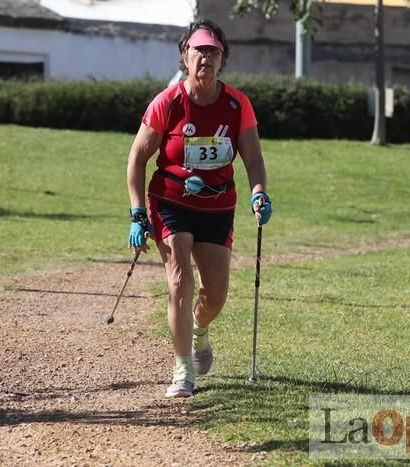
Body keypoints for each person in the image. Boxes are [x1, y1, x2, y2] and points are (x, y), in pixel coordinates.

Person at [126, 19, 272, 398]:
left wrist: (258, 193)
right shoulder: (168, 102)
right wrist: (138, 214)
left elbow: (253, 158)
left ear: (222, 59)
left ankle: (200, 332)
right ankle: (182, 368)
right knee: (179, 282)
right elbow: (137, 159)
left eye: (213, 51)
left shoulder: (236, 104)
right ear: (184, 56)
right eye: (199, 50)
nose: (206, 57)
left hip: (218, 206)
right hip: (171, 202)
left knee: (216, 295)